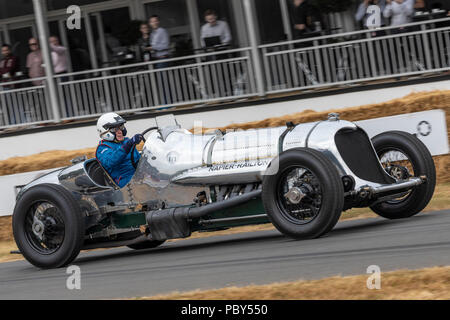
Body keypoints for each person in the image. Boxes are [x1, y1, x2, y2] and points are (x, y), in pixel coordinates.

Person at [96, 112, 144, 188]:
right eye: (115, 129)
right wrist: (128, 145)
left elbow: (139, 160)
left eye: (121, 127)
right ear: (105, 131)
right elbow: (111, 161)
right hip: (124, 181)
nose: (120, 131)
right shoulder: (102, 148)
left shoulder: (126, 141)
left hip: (139, 175)